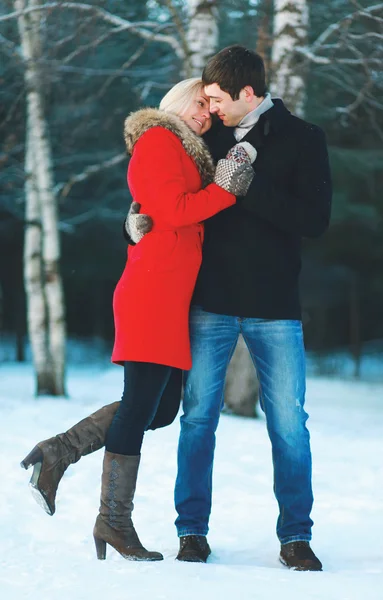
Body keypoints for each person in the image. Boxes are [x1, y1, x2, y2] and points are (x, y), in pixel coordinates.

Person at [22, 43, 332, 571]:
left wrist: (248, 189)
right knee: (193, 421)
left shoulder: (302, 138)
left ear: (247, 93)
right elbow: (163, 199)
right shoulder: (199, 134)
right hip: (203, 302)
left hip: (272, 302)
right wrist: (132, 224)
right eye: (204, 101)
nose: (208, 110)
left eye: (216, 100)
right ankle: (191, 532)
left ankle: (295, 537)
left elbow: (315, 220)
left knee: (288, 424)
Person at [20, 77, 257, 562]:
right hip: (153, 293)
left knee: (162, 408)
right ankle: (113, 520)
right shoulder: (158, 140)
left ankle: (60, 451)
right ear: (174, 103)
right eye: (198, 104)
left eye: (210, 111)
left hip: (171, 295)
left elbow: (157, 209)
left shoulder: (183, 150)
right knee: (141, 404)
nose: (204, 114)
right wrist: (225, 190)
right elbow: (173, 209)